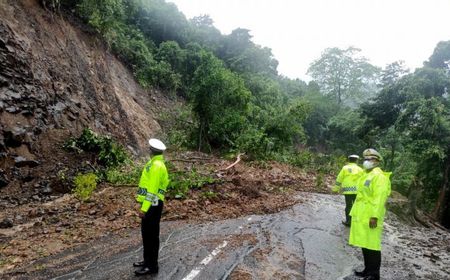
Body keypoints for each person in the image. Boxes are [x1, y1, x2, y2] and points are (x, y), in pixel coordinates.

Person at [349, 148, 391, 280]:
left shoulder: (380, 177)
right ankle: (367, 270)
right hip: (362, 214)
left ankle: (374, 274)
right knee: (364, 243)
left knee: (372, 245)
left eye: (370, 159)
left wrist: (374, 216)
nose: (366, 161)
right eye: (365, 159)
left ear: (377, 161)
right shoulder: (366, 174)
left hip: (371, 215)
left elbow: (379, 199)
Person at [133, 138, 169, 276]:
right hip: (151, 203)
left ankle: (152, 266)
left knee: (151, 236)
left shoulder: (156, 166)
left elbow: (152, 190)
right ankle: (147, 260)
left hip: (152, 204)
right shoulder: (154, 163)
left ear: (151, 151)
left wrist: (144, 208)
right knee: (146, 234)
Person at [332, 154, 363, 227]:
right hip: (357, 191)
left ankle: (348, 222)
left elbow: (339, 178)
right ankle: (356, 222)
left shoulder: (345, 168)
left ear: (349, 160)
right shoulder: (360, 169)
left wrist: (336, 189)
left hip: (347, 191)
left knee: (348, 206)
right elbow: (363, 180)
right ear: (356, 160)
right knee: (357, 206)